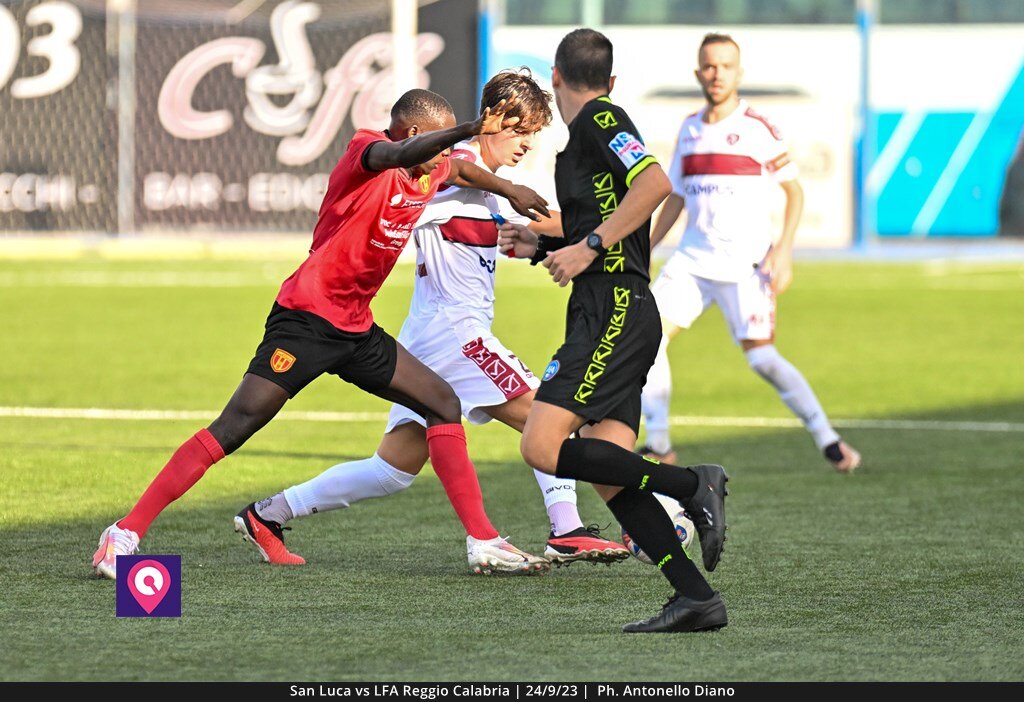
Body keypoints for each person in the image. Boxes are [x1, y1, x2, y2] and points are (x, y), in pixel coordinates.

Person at [92, 88, 550, 580]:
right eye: (439, 143)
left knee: (441, 402)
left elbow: (458, 170)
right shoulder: (367, 151)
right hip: (306, 320)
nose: (447, 157)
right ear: (418, 134)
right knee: (234, 427)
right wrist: (468, 132)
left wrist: (510, 191)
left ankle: (483, 541)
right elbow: (396, 155)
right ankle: (123, 534)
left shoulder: (433, 165)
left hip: (355, 328)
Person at [235, 69, 628, 573]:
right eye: (521, 130)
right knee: (547, 419)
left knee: (391, 470)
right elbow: (433, 183)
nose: (528, 144)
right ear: (493, 120)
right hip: (454, 334)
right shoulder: (454, 164)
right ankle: (567, 530)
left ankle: (267, 513)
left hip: (426, 336)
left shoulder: (482, 189)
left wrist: (534, 230)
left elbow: (493, 220)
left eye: (534, 133)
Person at [498, 29, 729, 634]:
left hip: (614, 309)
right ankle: (696, 598)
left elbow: (655, 185)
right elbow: (596, 218)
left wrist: (589, 247)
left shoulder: (602, 119)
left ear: (555, 75)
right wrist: (542, 242)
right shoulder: (582, 142)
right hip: (610, 307)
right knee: (606, 468)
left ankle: (690, 482)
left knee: (541, 446)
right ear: (611, 76)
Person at [635, 33, 860, 473]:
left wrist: (785, 251)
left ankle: (827, 439)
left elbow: (795, 192)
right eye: (709, 66)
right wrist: (645, 250)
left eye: (725, 66)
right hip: (692, 262)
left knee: (762, 359)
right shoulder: (689, 128)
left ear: (739, 72)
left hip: (745, 266)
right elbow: (676, 196)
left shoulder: (757, 127)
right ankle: (659, 443)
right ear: (698, 72)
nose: (716, 74)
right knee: (646, 337)